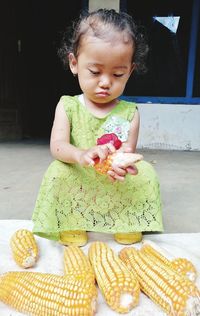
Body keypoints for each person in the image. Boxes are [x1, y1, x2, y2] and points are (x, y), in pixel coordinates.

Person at [32, 8, 163, 246]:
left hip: (111, 177)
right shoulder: (68, 105)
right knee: (56, 172)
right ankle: (72, 221)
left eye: (118, 74)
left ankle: (126, 220)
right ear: (74, 63)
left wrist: (122, 165)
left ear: (130, 71)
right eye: (95, 72)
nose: (105, 82)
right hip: (80, 172)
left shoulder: (129, 112)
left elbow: (127, 151)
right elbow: (58, 146)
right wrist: (80, 155)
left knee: (146, 174)